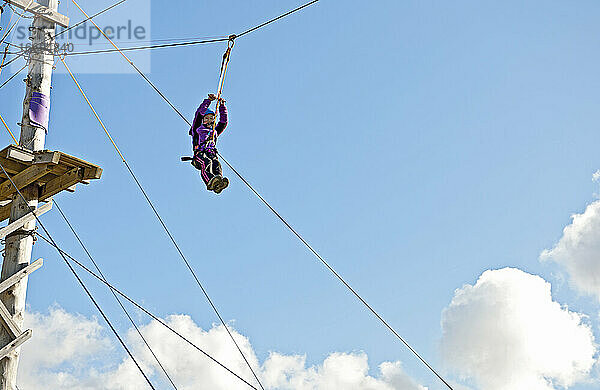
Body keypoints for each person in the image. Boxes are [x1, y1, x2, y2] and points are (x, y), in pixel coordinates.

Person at [189, 93, 229, 193]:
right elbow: (199, 114)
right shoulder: (198, 129)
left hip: (212, 153)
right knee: (207, 162)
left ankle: (218, 181)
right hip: (200, 154)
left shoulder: (214, 131)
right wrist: (208, 101)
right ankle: (209, 181)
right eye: (206, 118)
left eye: (211, 118)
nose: (209, 120)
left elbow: (223, 122)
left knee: (216, 164)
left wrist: (222, 106)